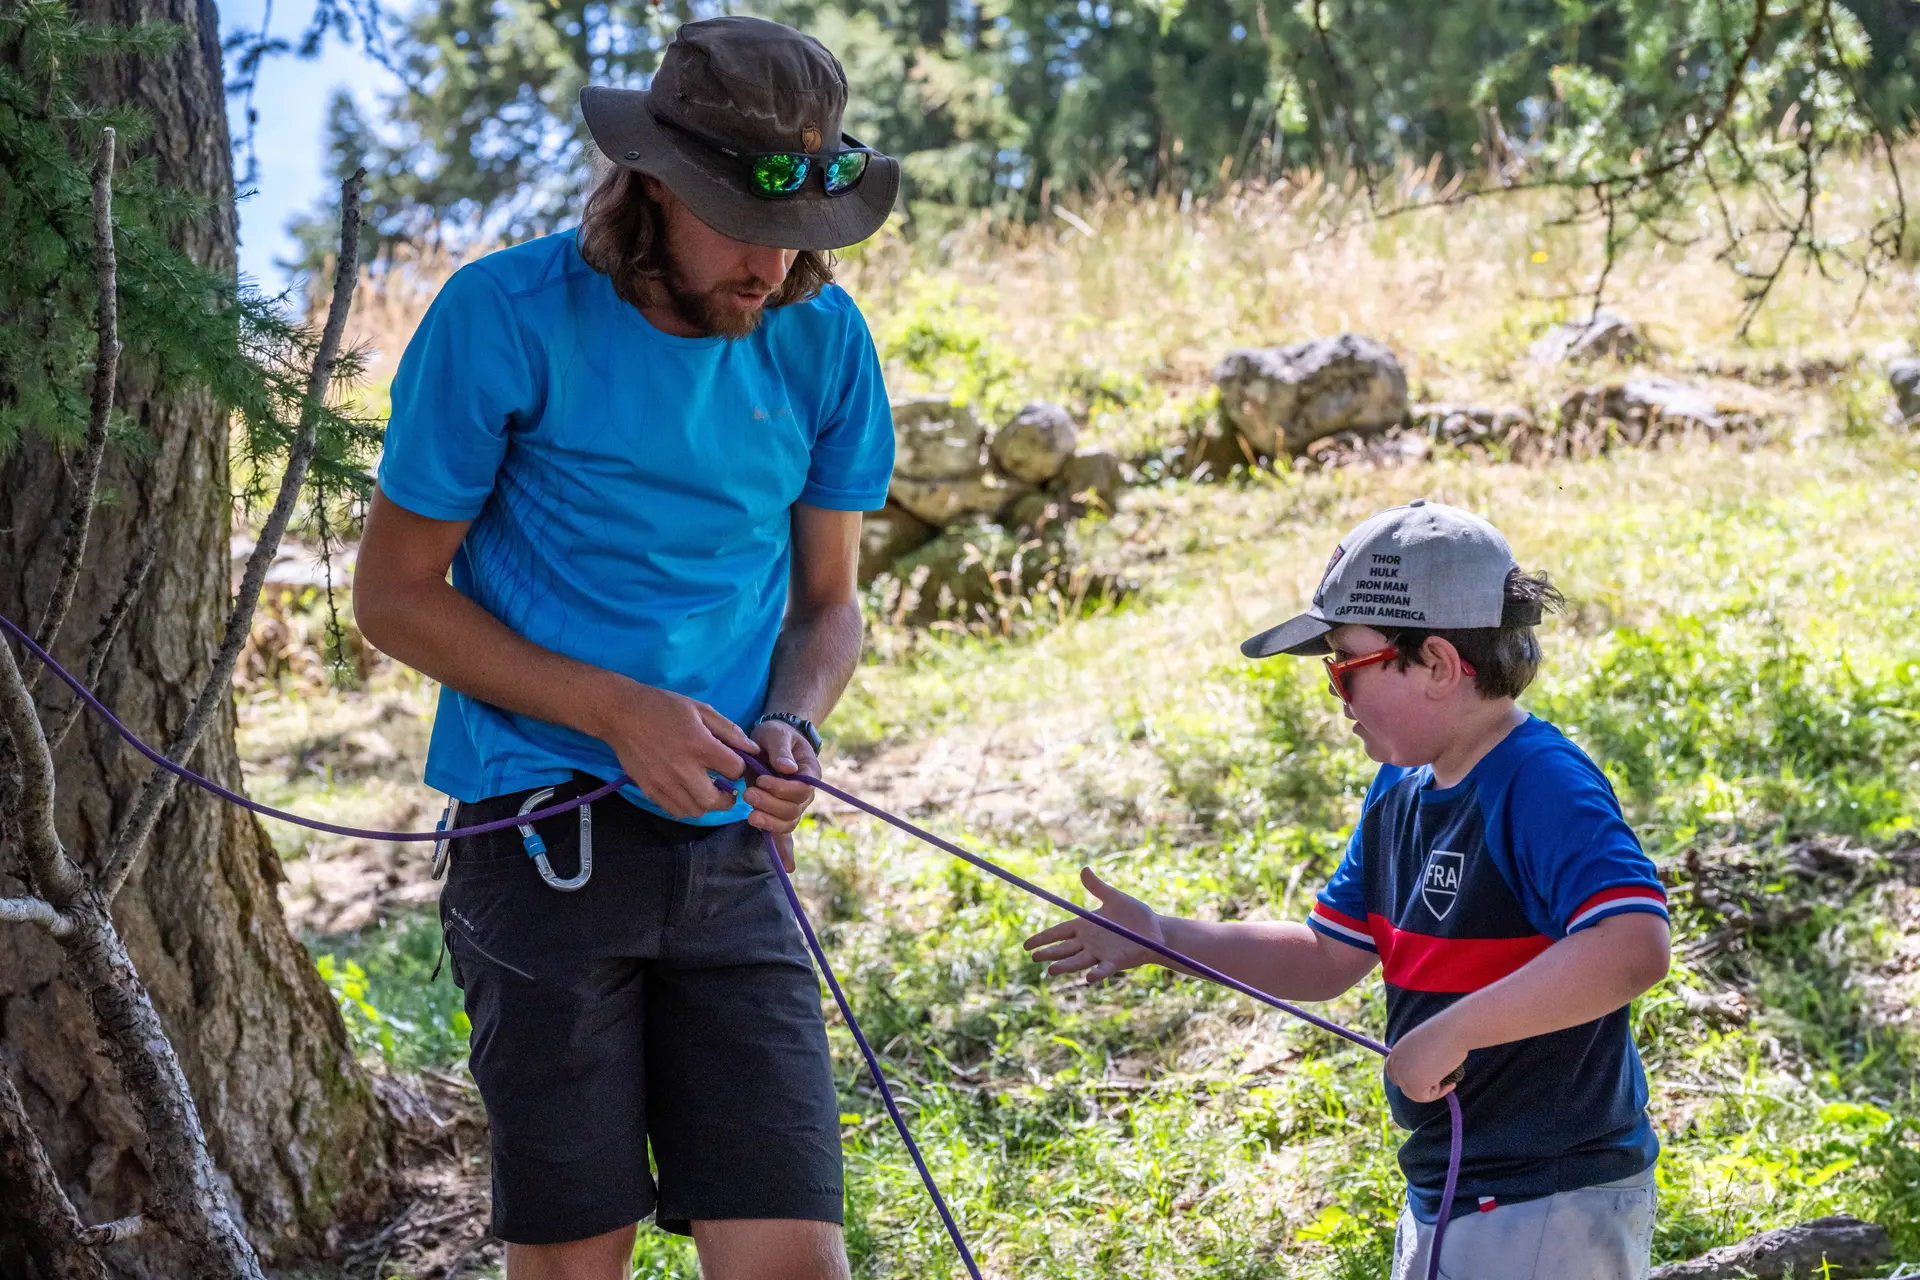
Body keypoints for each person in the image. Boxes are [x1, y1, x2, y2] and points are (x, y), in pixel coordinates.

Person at [352, 17, 901, 1280]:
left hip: (734, 859)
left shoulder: (824, 339)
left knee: (795, 1258)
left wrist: (794, 723)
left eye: (802, 231)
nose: (774, 266)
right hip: (540, 843)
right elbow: (392, 596)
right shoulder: (503, 314)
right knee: (570, 1259)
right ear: (651, 181)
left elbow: (828, 606)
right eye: (740, 221)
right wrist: (616, 710)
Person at [1022, 501, 1672, 1280]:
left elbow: (1633, 945)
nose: (1336, 696)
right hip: (1453, 1185)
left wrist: (1456, 1028)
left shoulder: (1540, 783)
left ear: (1436, 663)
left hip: (1552, 1192)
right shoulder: (1402, 787)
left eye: (1345, 666)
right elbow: (1329, 956)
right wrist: (1163, 938)